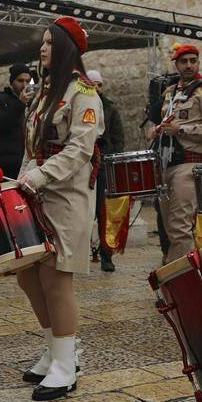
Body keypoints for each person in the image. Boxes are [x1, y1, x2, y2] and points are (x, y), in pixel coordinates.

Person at [17, 17, 102, 401]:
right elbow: (32, 147)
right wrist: (20, 180)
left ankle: (67, 365)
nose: (43, 48)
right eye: (43, 42)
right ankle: (54, 350)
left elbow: (79, 149)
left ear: (68, 48)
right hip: (38, 192)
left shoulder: (84, 93)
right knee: (28, 275)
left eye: (51, 42)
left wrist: (40, 176)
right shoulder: (45, 93)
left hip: (66, 195)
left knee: (55, 277)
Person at [151, 44, 202, 264]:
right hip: (166, 165)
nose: (189, 65)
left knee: (179, 227)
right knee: (168, 229)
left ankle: (177, 279)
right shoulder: (170, 92)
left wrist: (181, 130)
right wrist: (157, 131)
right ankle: (177, 272)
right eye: (184, 61)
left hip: (190, 164)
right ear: (176, 64)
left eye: (193, 60)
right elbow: (168, 121)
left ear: (198, 62)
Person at [86, 69, 125, 272]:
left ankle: (106, 255)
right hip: (84, 164)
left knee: (104, 212)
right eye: (92, 83)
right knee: (84, 211)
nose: (96, 87)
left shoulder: (110, 108)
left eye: (99, 84)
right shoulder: (81, 104)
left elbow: (118, 138)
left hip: (104, 165)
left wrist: (113, 162)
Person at [0, 63, 33, 178]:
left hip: (28, 162)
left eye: (28, 81)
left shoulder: (33, 101)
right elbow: (1, 124)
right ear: (12, 81)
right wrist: (20, 103)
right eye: (20, 80)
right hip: (7, 164)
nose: (25, 85)